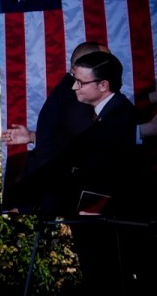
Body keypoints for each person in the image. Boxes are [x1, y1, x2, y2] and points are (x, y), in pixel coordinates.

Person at [55, 51, 143, 295]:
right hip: (98, 216)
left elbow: (92, 152)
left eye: (81, 82)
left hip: (110, 221)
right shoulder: (104, 112)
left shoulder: (120, 115)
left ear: (103, 85)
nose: (74, 87)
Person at [1, 41, 109, 213]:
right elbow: (92, 143)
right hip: (58, 197)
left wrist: (33, 136)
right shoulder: (76, 97)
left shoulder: (69, 90)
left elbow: (64, 140)